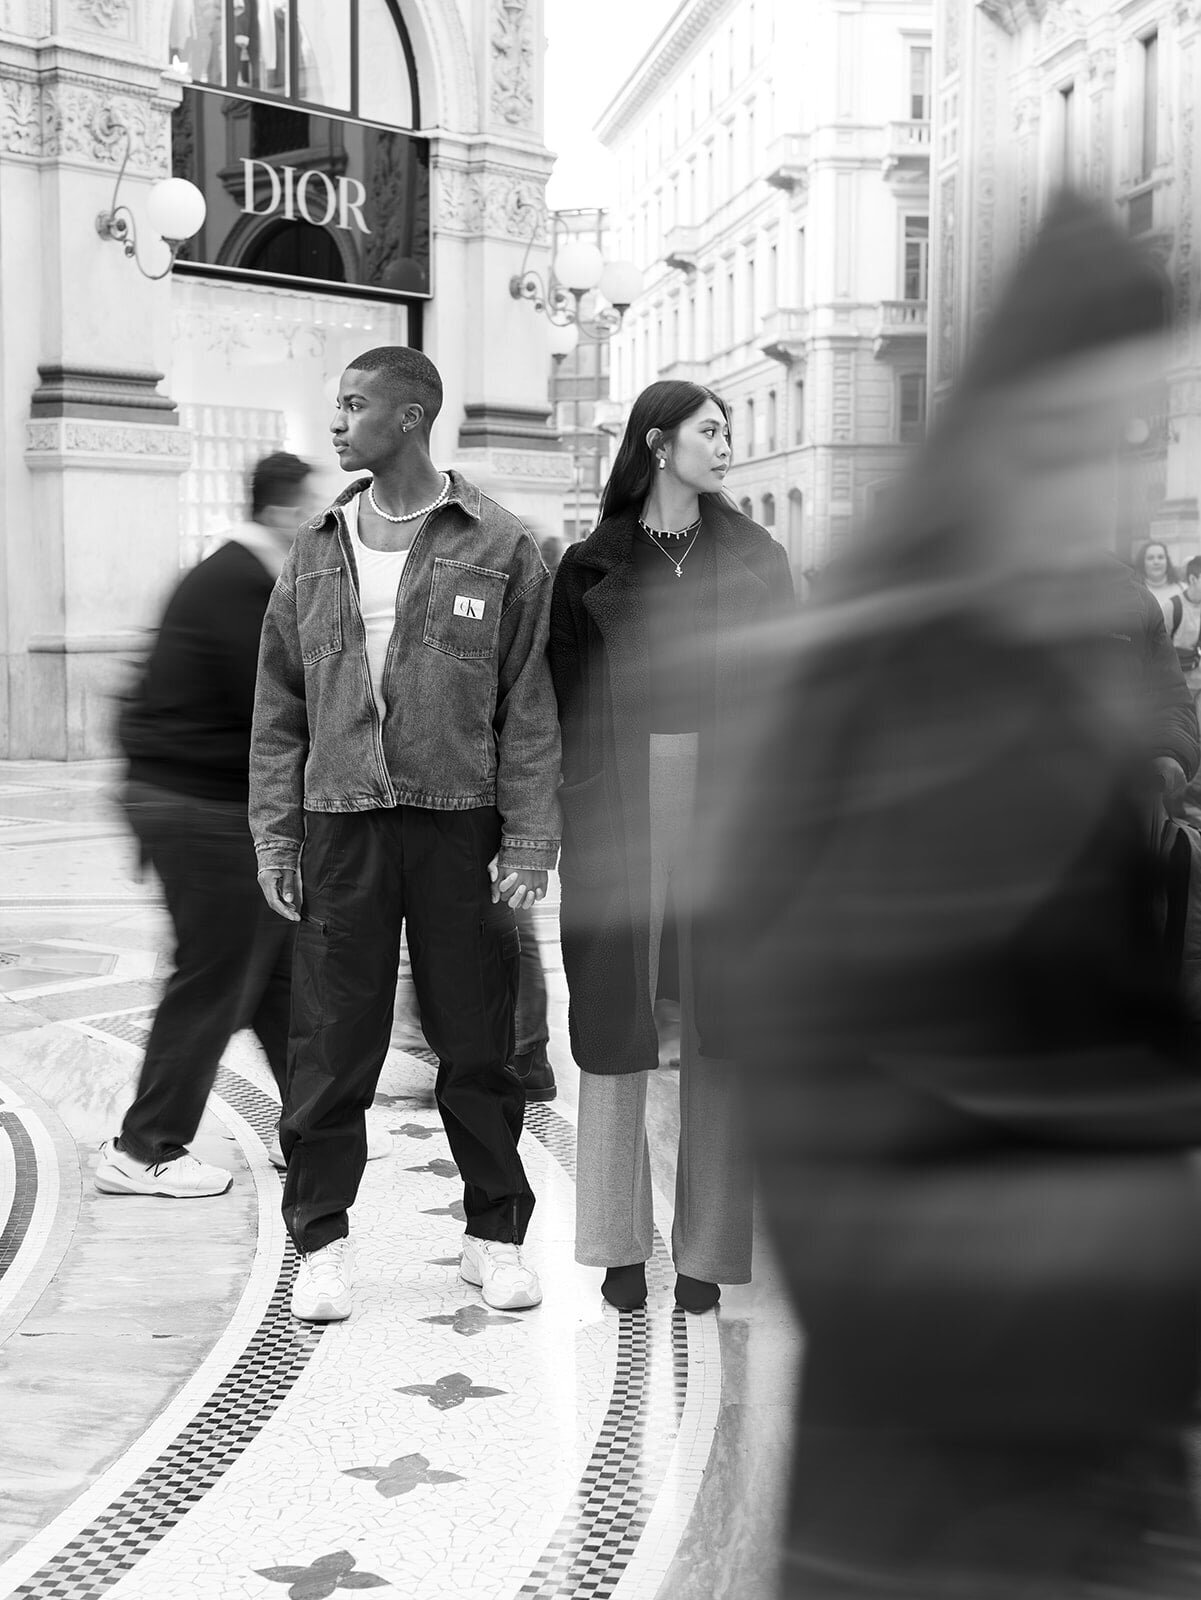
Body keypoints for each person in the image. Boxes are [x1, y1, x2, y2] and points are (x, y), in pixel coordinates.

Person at [720, 193, 1201, 1599]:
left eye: (1139, 441)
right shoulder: (880, 691)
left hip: (1091, 1474)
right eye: (1077, 442)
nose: (1111, 493)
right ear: (989, 433)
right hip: (929, 1504)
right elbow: (835, 1168)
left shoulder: (1065, 673)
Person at [250, 346, 561, 1324]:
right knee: (332, 1042)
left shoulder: (503, 545)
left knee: (478, 1039)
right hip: (341, 824)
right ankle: (323, 1244)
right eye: (337, 406)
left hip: (458, 823)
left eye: (353, 405)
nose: (336, 424)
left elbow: (531, 709)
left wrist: (529, 841)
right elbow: (277, 709)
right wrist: (275, 835)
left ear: (412, 416)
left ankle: (495, 1236)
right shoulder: (315, 545)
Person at [549, 379, 793, 1315]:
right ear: (659, 443)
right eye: (710, 430)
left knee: (717, 1019)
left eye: (727, 432)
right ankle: (616, 1244)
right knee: (617, 1024)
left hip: (732, 804)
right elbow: (556, 708)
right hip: (618, 798)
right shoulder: (586, 568)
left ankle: (706, 1253)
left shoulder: (757, 558)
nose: (726, 446)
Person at [96, 452, 317, 1198]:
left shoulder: (234, 575)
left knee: (275, 975)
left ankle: (312, 1126)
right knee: (216, 975)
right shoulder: (241, 586)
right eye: (313, 514)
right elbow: (278, 711)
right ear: (286, 515)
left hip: (196, 802)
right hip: (204, 809)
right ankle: (145, 1147)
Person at [1136, 537, 1184, 632]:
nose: (1156, 562)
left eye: (1160, 557)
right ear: (1143, 562)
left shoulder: (1182, 589)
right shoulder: (1135, 592)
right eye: (1150, 558)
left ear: (1167, 561)